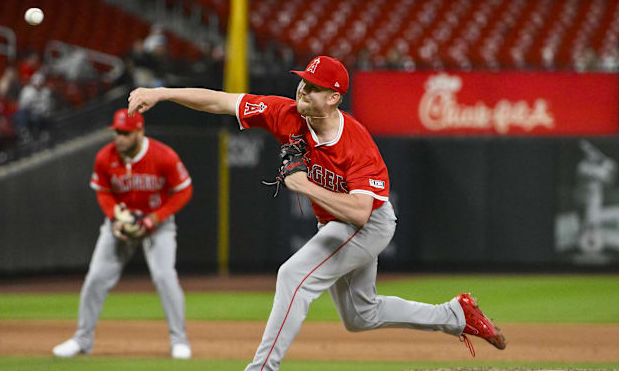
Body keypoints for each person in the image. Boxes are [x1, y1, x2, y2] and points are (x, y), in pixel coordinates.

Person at [127, 55, 507, 370]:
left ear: (334, 98)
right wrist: (161, 93)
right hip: (336, 222)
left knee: (293, 275)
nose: (302, 91)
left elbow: (360, 213)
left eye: (313, 87)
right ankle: (456, 315)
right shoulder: (286, 113)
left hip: (370, 223)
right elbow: (221, 102)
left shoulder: (356, 145)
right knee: (361, 316)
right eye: (302, 82)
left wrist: (304, 184)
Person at [52, 108, 194, 360]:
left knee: (164, 277)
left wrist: (155, 218)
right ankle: (82, 340)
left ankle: (179, 341)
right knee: (95, 277)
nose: (120, 138)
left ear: (140, 131)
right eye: (117, 132)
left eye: (126, 133)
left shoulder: (163, 156)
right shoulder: (105, 157)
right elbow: (104, 191)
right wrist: (113, 218)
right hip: (119, 224)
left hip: (157, 225)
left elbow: (183, 191)